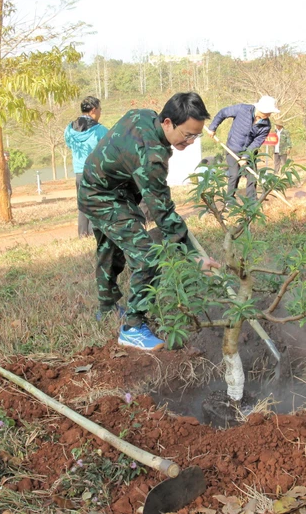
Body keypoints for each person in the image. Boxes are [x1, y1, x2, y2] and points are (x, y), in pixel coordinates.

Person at [78, 92, 220, 351]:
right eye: (187, 134)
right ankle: (132, 328)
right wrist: (193, 255)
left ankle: (107, 307)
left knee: (110, 249)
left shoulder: (143, 115)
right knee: (147, 255)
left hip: (104, 186)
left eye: (196, 135)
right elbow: (163, 212)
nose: (190, 141)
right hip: (102, 196)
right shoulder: (150, 155)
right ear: (167, 122)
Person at [206, 95, 279, 204]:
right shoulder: (242, 109)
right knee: (234, 175)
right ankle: (229, 202)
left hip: (249, 152)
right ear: (260, 109)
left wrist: (245, 157)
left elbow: (256, 142)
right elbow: (223, 113)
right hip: (233, 148)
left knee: (252, 177)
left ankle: (252, 203)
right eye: (268, 112)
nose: (269, 115)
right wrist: (213, 128)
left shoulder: (266, 125)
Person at [65, 96, 109, 237]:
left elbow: (70, 144)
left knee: (83, 205)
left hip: (79, 172)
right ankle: (94, 233)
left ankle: (82, 234)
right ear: (94, 110)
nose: (100, 113)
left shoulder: (69, 128)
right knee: (96, 204)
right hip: (95, 172)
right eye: (100, 110)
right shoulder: (100, 130)